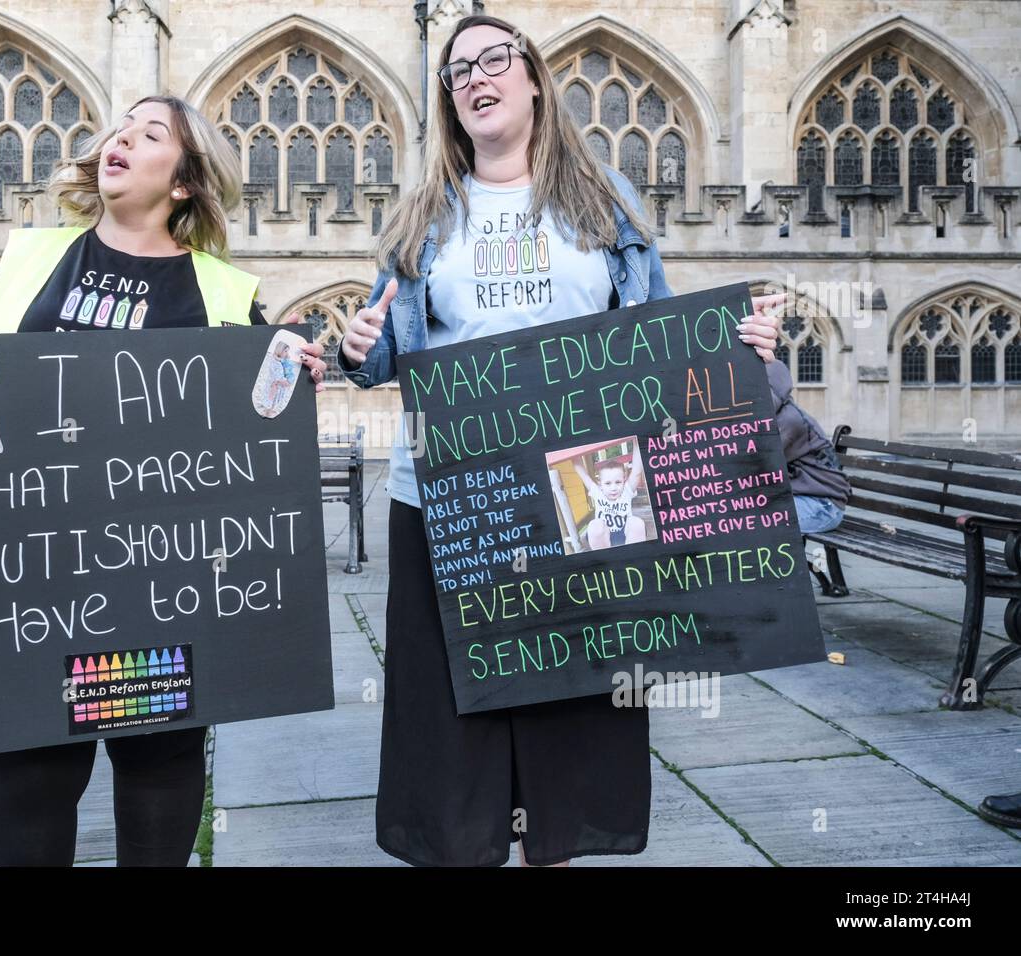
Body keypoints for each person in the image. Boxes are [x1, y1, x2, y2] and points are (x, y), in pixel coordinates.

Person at [338, 14, 785, 867]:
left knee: (575, 697)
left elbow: (655, 336)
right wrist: (359, 352)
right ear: (450, 100)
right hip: (450, 492)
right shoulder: (424, 213)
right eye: (458, 67)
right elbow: (382, 350)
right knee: (450, 706)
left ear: (534, 77)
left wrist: (735, 351)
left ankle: (558, 848)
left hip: (590, 483)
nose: (476, 75)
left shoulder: (605, 200)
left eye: (495, 58)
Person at [0, 95, 327, 866]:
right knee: (28, 774)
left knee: (158, 769)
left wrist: (297, 379)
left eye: (150, 133)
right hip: (31, 584)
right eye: (120, 128)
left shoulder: (224, 292)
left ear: (186, 182)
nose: (122, 138)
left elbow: (253, 435)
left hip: (162, 587)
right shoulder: (25, 261)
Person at [765, 358, 850, 533]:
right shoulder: (774, 415)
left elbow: (755, 464)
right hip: (800, 497)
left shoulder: (789, 421)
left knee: (750, 523)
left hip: (822, 505)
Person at [573, 443, 646, 549]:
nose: (613, 488)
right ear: (600, 484)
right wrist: (572, 450)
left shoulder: (627, 491)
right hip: (603, 537)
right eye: (608, 483)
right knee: (595, 525)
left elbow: (637, 471)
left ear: (624, 480)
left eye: (618, 482)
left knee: (637, 523)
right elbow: (582, 473)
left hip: (626, 534)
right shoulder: (598, 493)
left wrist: (637, 442)